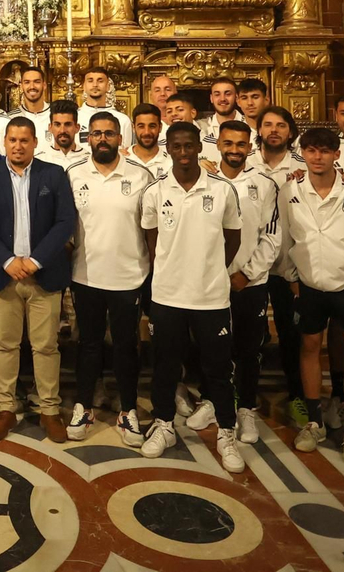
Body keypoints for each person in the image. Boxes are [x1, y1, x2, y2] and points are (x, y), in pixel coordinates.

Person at [139, 121, 245, 472]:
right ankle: (164, 425)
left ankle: (226, 432)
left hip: (211, 297)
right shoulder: (155, 191)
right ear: (168, 148)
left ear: (200, 147)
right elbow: (152, 242)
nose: (183, 153)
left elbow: (232, 239)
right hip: (168, 295)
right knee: (166, 366)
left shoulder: (222, 190)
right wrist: (173, 269)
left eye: (189, 146)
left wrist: (210, 269)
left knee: (217, 370)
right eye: (177, 146)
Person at [0, 117, 77, 443]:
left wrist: (34, 260)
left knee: (46, 346)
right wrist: (7, 260)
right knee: (5, 345)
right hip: (3, 276)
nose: (18, 146)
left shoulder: (53, 174)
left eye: (24, 140)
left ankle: (48, 409)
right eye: (13, 140)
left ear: (34, 143)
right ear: (4, 141)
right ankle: (5, 408)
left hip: (43, 274)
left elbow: (64, 221)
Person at [280, 127, 344, 465]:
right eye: (310, 151)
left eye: (324, 151)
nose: (317, 157)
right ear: (302, 153)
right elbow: (286, 239)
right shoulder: (290, 190)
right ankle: (314, 421)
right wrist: (292, 278)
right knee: (308, 347)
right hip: (309, 284)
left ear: (337, 154)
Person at [65, 112, 152, 448]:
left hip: (129, 276)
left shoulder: (140, 175)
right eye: (96, 134)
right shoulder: (74, 174)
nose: (103, 139)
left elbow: (150, 228)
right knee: (87, 344)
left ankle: (128, 410)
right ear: (88, 139)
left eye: (109, 134)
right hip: (85, 274)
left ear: (120, 138)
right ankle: (83, 406)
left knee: (126, 346)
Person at [196, 120, 281, 445]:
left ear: (250, 147)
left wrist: (247, 273)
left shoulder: (264, 183)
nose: (234, 150)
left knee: (248, 350)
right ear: (218, 144)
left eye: (240, 144)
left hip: (250, 282)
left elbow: (272, 235)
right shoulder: (205, 180)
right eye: (228, 144)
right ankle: (213, 401)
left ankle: (246, 408)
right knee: (212, 347)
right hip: (211, 281)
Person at [245, 106, 310, 426]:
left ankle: (298, 395)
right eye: (267, 124)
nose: (273, 130)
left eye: (280, 125)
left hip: (287, 266)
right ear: (258, 130)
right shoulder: (244, 162)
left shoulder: (302, 166)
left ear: (290, 131)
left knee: (291, 334)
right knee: (247, 336)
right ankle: (244, 396)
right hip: (251, 266)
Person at [197, 78, 256, 164]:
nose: (222, 99)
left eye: (227, 94)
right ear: (211, 98)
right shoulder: (200, 127)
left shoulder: (251, 127)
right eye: (217, 94)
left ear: (236, 97)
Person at [77, 66, 133, 147]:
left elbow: (125, 153)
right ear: (84, 86)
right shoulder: (75, 118)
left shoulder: (122, 120)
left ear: (108, 86)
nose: (95, 85)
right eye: (90, 81)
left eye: (100, 81)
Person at [37, 99, 87, 168]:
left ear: (77, 127)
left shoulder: (88, 160)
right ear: (50, 128)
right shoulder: (40, 161)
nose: (62, 130)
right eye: (57, 125)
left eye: (68, 124)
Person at [10, 67, 52, 140]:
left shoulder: (55, 115)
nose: (32, 86)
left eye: (36, 82)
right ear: (22, 86)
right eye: (27, 82)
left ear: (44, 85)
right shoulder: (11, 118)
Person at [129, 103, 169, 178]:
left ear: (160, 127)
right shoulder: (121, 160)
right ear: (133, 127)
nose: (147, 132)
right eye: (141, 126)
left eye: (152, 126)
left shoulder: (171, 163)